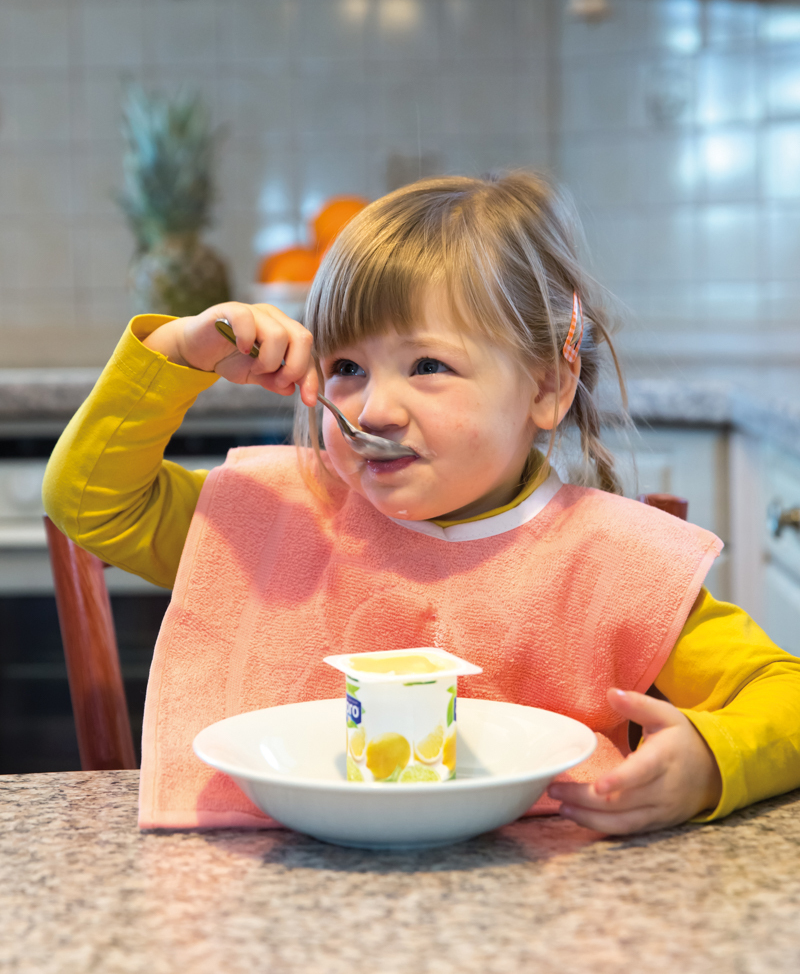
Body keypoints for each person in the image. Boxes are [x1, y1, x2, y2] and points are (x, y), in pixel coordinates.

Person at [43, 173, 800, 834]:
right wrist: (179, 354)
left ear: (545, 388)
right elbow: (88, 501)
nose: (375, 409)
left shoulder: (612, 563)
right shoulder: (280, 518)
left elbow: (784, 695)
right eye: (346, 366)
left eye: (428, 365)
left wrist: (711, 762)